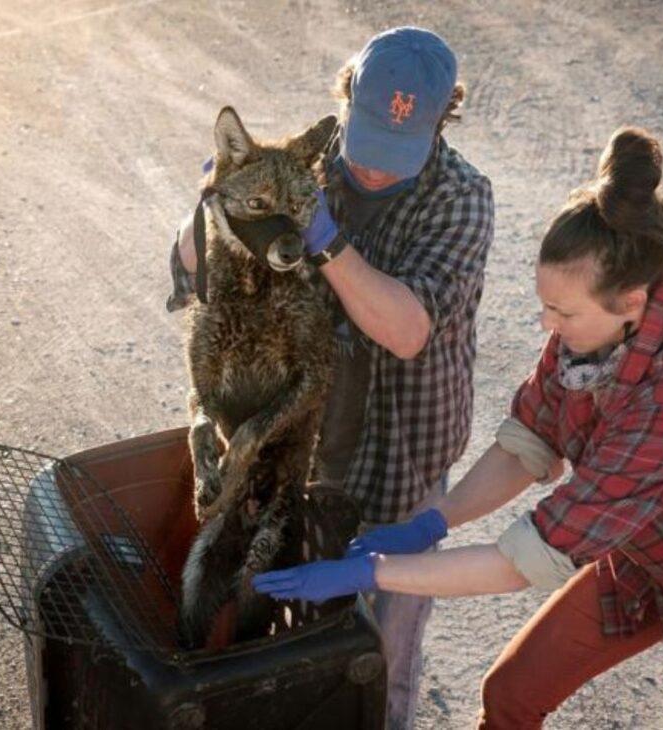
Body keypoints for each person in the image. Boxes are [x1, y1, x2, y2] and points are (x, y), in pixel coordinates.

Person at [254, 127, 663, 729]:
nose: (547, 324)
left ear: (633, 303)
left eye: (562, 312)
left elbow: (526, 561)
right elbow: (529, 443)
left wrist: (373, 572)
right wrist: (431, 522)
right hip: (645, 554)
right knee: (511, 694)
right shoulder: (594, 328)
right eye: (545, 304)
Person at [174, 27, 495, 730]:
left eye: (396, 156)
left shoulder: (462, 199)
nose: (374, 171)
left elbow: (406, 330)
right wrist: (213, 209)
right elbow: (192, 278)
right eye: (366, 142)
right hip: (300, 442)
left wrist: (325, 239)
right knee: (288, 625)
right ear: (345, 101)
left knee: (377, 656)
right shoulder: (299, 168)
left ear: (442, 122)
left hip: (396, 459)